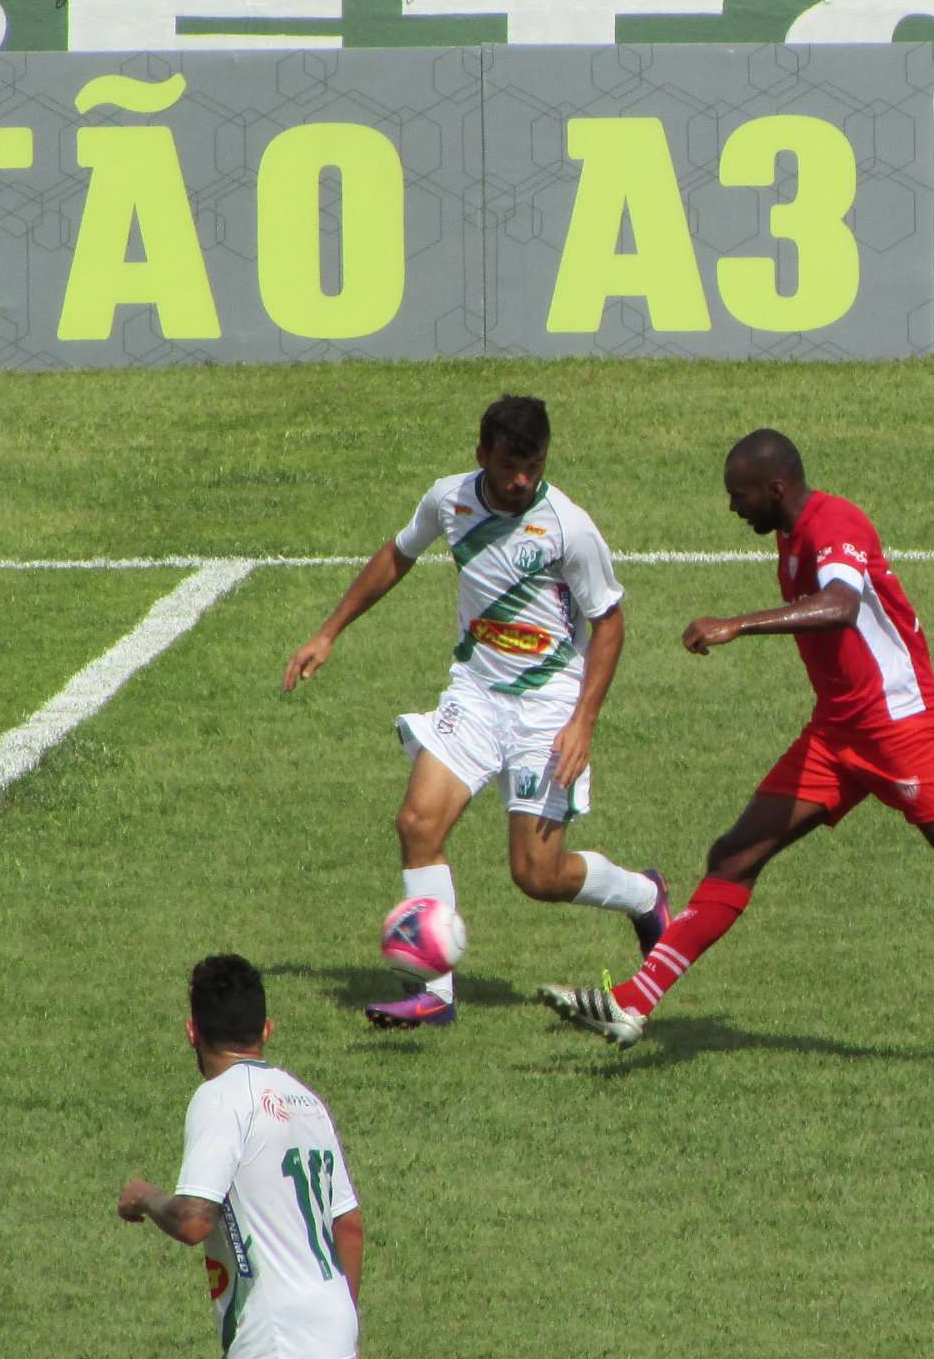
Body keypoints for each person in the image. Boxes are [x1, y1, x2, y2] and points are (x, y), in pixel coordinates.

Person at [537, 428, 934, 1062]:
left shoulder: (833, 522)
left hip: (898, 733)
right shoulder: (789, 534)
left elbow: (841, 604)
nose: (732, 507)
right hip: (837, 732)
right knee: (734, 854)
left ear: (774, 488)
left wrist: (738, 624)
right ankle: (634, 1002)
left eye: (739, 495)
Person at [282, 394, 667, 1028]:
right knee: (417, 825)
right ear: (481, 454)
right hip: (476, 696)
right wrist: (329, 632)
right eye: (509, 465)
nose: (521, 480)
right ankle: (435, 995)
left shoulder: (568, 526)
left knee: (537, 875)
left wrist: (583, 723)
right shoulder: (449, 500)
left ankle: (645, 896)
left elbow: (610, 623)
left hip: (547, 711)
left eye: (534, 465)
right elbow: (397, 555)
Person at [117, 955, 377, 1359]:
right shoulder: (304, 1099)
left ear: (191, 1032)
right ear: (267, 1029)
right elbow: (349, 1226)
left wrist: (144, 1197)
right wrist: (346, 1326)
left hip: (281, 1341)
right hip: (313, 1324)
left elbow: (195, 1220)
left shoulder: (219, 1100)